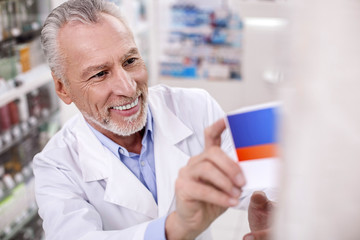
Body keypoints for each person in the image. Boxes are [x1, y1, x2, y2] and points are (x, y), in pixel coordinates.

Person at [33, 0, 273, 239]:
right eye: (100, 74)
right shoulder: (55, 166)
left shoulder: (197, 104)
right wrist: (175, 228)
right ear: (63, 88)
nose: (127, 87)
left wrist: (279, 215)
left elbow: (267, 167)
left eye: (130, 61)